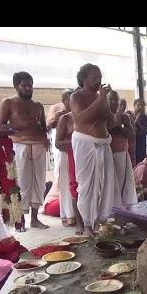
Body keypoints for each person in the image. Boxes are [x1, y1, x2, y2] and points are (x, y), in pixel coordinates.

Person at [69, 64, 119, 236]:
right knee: (87, 185)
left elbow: (110, 123)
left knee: (105, 185)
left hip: (104, 145)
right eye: (94, 78)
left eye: (100, 78)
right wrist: (100, 100)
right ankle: (87, 226)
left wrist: (112, 107)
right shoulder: (76, 97)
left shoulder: (101, 97)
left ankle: (99, 223)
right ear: (84, 79)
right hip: (86, 144)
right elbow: (81, 118)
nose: (99, 81)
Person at [0, 72, 50, 231]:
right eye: (24, 85)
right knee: (20, 184)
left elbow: (42, 126)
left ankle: (35, 219)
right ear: (16, 86)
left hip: (39, 146)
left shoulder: (38, 106)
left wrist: (45, 135)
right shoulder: (8, 102)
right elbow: (1, 126)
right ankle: (20, 221)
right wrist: (19, 128)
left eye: (30, 85)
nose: (28, 88)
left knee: (39, 183)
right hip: (19, 145)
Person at [54, 98, 84, 234]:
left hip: (88, 156)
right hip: (71, 156)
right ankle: (79, 223)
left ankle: (91, 221)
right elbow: (58, 143)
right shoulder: (65, 119)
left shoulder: (87, 116)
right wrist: (77, 143)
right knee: (75, 189)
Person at [107, 91, 137, 207]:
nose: (114, 102)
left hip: (123, 155)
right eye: (111, 100)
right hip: (109, 154)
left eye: (116, 100)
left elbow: (132, 135)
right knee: (112, 185)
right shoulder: (104, 116)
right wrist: (115, 122)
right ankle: (112, 210)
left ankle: (125, 210)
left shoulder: (124, 117)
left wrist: (120, 127)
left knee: (124, 184)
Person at [129, 98, 147, 164]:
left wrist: (139, 123)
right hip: (131, 143)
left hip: (141, 143)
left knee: (140, 162)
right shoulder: (128, 115)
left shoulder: (144, 117)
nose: (140, 107)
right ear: (134, 105)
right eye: (138, 105)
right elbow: (131, 130)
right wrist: (136, 121)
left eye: (142, 105)